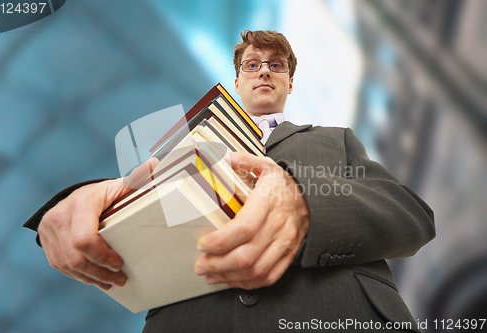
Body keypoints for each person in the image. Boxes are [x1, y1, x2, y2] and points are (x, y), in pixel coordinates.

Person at [24, 30, 435, 332]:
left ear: (290, 82)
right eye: (252, 65)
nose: (264, 73)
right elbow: (140, 207)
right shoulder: (183, 145)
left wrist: (306, 205)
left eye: (277, 66)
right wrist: (92, 202)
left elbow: (411, 216)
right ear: (237, 81)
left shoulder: (334, 139)